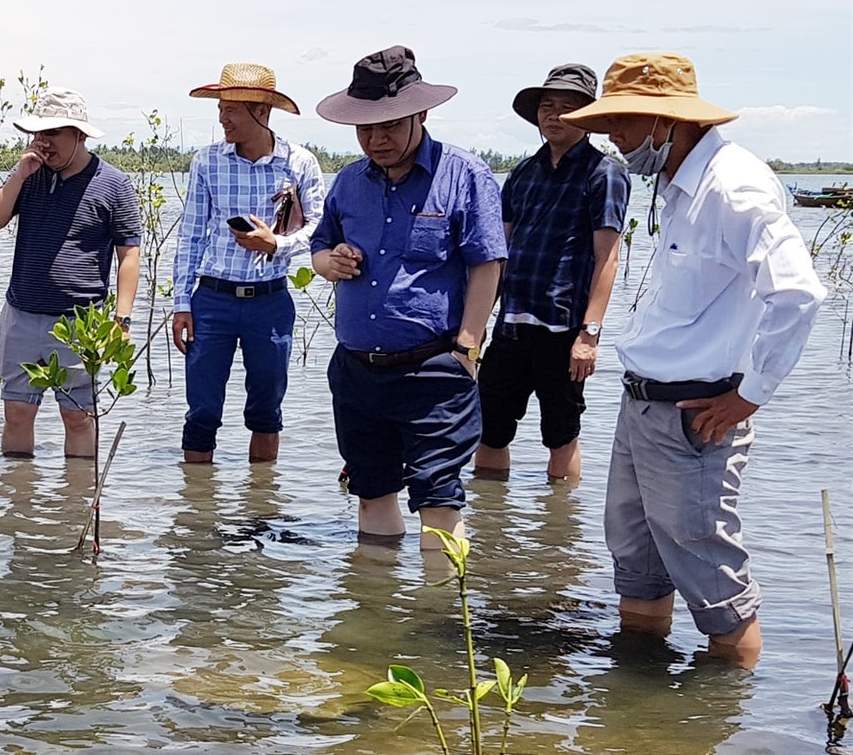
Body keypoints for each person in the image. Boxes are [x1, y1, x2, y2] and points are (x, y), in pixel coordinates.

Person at [561, 53, 824, 664]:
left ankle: (721, 732)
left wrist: (748, 397)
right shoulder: (679, 182)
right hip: (643, 405)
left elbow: (799, 293)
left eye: (624, 122)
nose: (613, 137)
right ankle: (645, 712)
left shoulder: (735, 186)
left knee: (710, 571)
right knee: (637, 561)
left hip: (697, 412)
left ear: (667, 121)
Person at [310, 46, 506, 551]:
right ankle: (377, 616)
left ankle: (438, 621)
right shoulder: (349, 182)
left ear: (420, 113)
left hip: (435, 367)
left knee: (439, 500)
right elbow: (319, 248)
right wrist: (329, 262)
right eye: (365, 128)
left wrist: (468, 347)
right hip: (357, 369)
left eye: (389, 125)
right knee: (372, 493)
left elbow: (488, 263)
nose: (376, 139)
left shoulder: (464, 174)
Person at [474, 64, 629, 483]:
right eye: (547, 106)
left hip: (563, 329)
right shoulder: (524, 172)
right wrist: (479, 321)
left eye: (567, 106)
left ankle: (557, 533)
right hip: (511, 324)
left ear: (587, 117)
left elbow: (608, 257)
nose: (554, 115)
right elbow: (498, 253)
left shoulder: (605, 173)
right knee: (488, 429)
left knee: (561, 433)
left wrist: (589, 334)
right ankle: (491, 523)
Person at [171, 64, 325, 464]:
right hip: (213, 300)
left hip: (270, 303)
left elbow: (320, 228)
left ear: (262, 112)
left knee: (266, 411)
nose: (222, 118)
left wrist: (278, 244)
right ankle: (198, 511)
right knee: (202, 410)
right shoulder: (207, 162)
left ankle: (261, 508)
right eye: (220, 109)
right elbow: (190, 236)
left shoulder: (300, 163)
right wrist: (181, 304)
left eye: (232, 110)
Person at [0, 87, 141, 459]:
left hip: (79, 321)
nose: (43, 143)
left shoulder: (113, 184)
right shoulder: (29, 174)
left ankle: (78, 505)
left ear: (79, 135)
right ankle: (17, 506)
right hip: (21, 315)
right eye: (39, 134)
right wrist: (19, 175)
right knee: (17, 413)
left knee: (78, 416)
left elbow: (129, 254)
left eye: (53, 134)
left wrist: (122, 318)